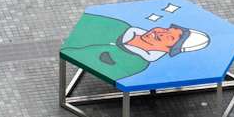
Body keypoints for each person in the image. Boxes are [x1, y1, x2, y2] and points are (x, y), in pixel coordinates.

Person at [62, 15, 210, 82]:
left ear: (169, 50)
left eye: (169, 38)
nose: (160, 33)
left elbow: (105, 68)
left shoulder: (137, 64)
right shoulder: (119, 26)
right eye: (166, 29)